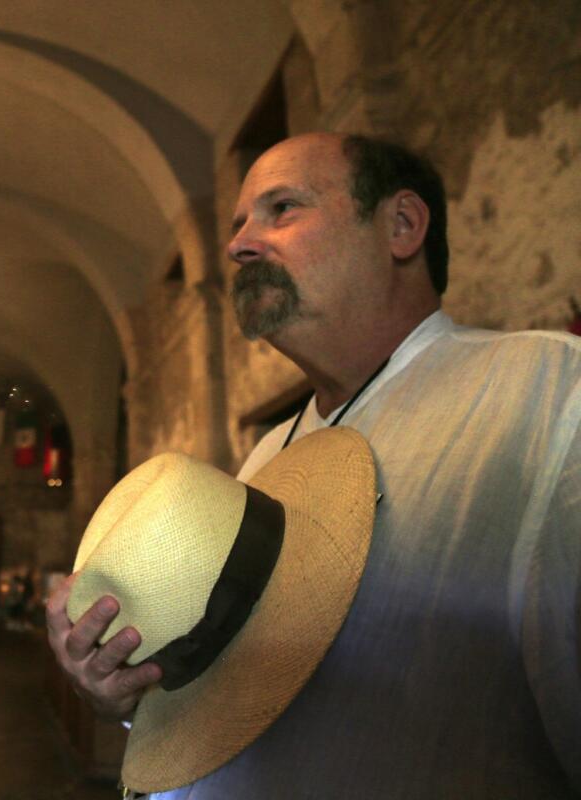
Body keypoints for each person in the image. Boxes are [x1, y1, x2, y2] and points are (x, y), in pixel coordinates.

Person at [47, 132, 581, 797]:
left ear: (402, 226)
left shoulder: (546, 394)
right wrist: (131, 696)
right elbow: (233, 694)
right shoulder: (270, 455)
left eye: (282, 209)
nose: (239, 244)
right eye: (239, 222)